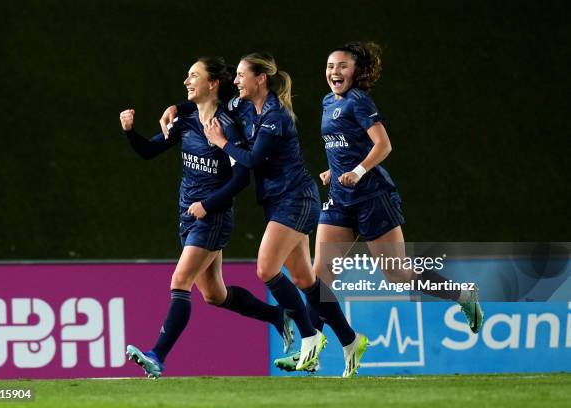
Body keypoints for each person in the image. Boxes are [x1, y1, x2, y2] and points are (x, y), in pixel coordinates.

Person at [164, 52, 368, 377]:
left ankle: (310, 336)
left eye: (242, 75)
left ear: (260, 79)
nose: (236, 81)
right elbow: (208, 103)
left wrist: (220, 142)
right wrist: (178, 107)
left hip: (296, 198)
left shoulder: (275, 114)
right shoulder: (243, 106)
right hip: (276, 201)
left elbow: (254, 160)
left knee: (266, 268)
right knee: (303, 279)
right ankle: (349, 339)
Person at [119, 56, 294, 379]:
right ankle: (277, 314)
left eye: (193, 75)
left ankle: (157, 355)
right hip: (189, 215)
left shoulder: (226, 126)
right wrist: (130, 131)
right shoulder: (185, 120)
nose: (186, 81)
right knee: (215, 295)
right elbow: (148, 151)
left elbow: (242, 177)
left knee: (179, 281)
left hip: (212, 217)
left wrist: (209, 205)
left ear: (212, 83)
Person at [311, 41, 484, 336]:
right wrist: (335, 170)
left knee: (397, 274)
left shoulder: (358, 101)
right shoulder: (328, 102)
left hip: (373, 197)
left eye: (342, 66)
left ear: (357, 72)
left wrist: (357, 171)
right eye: (330, 66)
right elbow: (346, 145)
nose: (334, 72)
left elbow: (383, 145)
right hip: (340, 199)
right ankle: (310, 347)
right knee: (320, 276)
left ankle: (463, 295)